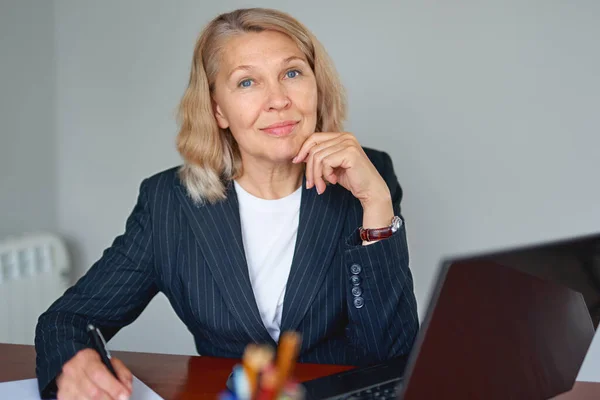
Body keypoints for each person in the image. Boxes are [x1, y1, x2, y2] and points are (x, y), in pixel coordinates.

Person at [35, 7, 419, 400]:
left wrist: (376, 202)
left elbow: (392, 357)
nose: (278, 100)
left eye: (292, 73)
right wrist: (74, 362)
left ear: (316, 85)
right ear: (218, 109)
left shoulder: (369, 176)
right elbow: (68, 319)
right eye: (248, 82)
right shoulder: (169, 204)